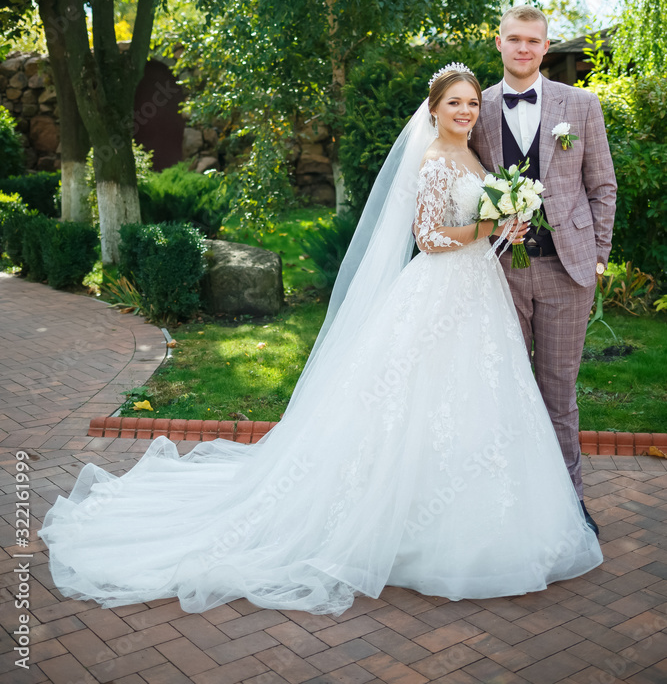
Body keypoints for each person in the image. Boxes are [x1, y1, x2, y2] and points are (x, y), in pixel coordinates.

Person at [39, 65, 603, 617]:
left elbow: (475, 221)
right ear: (433, 109)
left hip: (479, 290)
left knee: (481, 399)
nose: (465, 111)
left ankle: (490, 519)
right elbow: (429, 238)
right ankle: (405, 524)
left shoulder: (473, 155)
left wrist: (506, 224)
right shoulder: (434, 160)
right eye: (454, 102)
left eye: (472, 103)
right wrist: (490, 226)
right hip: (442, 289)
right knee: (426, 398)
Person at [470, 5, 617, 536]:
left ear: (546, 46)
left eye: (534, 41)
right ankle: (511, 504)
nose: (524, 49)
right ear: (499, 42)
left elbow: (602, 185)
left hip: (567, 271)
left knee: (558, 390)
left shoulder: (580, 104)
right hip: (497, 272)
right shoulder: (474, 107)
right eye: (514, 40)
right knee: (504, 388)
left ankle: (569, 505)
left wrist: (598, 254)